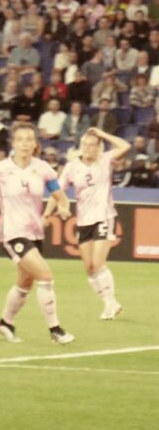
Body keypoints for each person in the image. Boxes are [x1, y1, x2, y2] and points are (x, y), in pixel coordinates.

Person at [0, 123, 75, 345]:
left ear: (35, 144)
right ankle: (55, 330)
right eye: (20, 139)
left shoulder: (43, 168)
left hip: (35, 232)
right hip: (13, 233)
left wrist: (64, 207)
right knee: (45, 277)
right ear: (13, 143)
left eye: (29, 139)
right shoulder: (1, 168)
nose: (25, 144)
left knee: (25, 283)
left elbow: (60, 196)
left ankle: (5, 323)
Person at [46, 128, 131, 320]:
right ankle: (110, 302)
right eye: (85, 144)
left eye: (92, 145)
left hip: (104, 216)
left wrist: (103, 134)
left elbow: (126, 146)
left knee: (98, 263)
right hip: (83, 220)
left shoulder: (105, 160)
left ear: (99, 147)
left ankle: (110, 304)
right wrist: (48, 212)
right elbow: (58, 191)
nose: (87, 148)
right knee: (89, 268)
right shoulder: (72, 167)